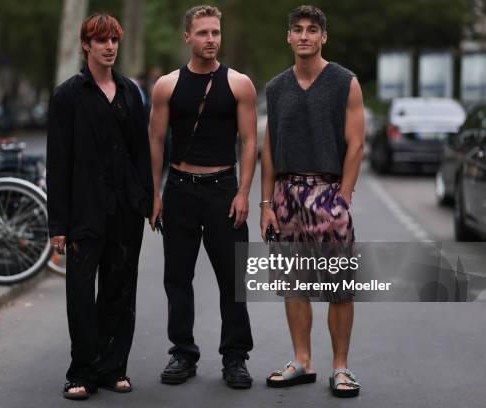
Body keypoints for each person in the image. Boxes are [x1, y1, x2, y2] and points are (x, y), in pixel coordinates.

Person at [149, 5, 257, 389]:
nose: (211, 39)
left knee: (233, 279)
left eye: (215, 33)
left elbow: (249, 141)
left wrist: (244, 192)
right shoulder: (167, 85)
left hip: (223, 190)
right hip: (179, 189)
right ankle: (183, 353)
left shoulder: (239, 84)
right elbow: (156, 140)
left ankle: (235, 357)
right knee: (177, 277)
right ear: (188, 37)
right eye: (203, 33)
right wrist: (155, 194)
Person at [46, 13, 153, 400]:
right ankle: (81, 371)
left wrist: (147, 200)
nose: (110, 47)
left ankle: (113, 367)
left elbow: (141, 152)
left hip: (125, 209)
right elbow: (57, 163)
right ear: (85, 45)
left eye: (114, 41)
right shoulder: (67, 95)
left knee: (120, 289)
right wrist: (57, 224)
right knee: (80, 292)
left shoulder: (130, 92)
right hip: (82, 212)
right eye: (101, 40)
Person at [260, 5, 365, 398]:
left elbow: (356, 143)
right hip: (286, 195)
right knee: (293, 283)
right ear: (288, 37)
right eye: (298, 30)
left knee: (340, 285)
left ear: (324, 37)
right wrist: (266, 203)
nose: (304, 35)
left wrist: (344, 196)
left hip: (328, 192)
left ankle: (341, 368)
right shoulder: (276, 87)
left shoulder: (344, 82)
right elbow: (269, 148)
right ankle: (302, 361)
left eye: (312, 30)